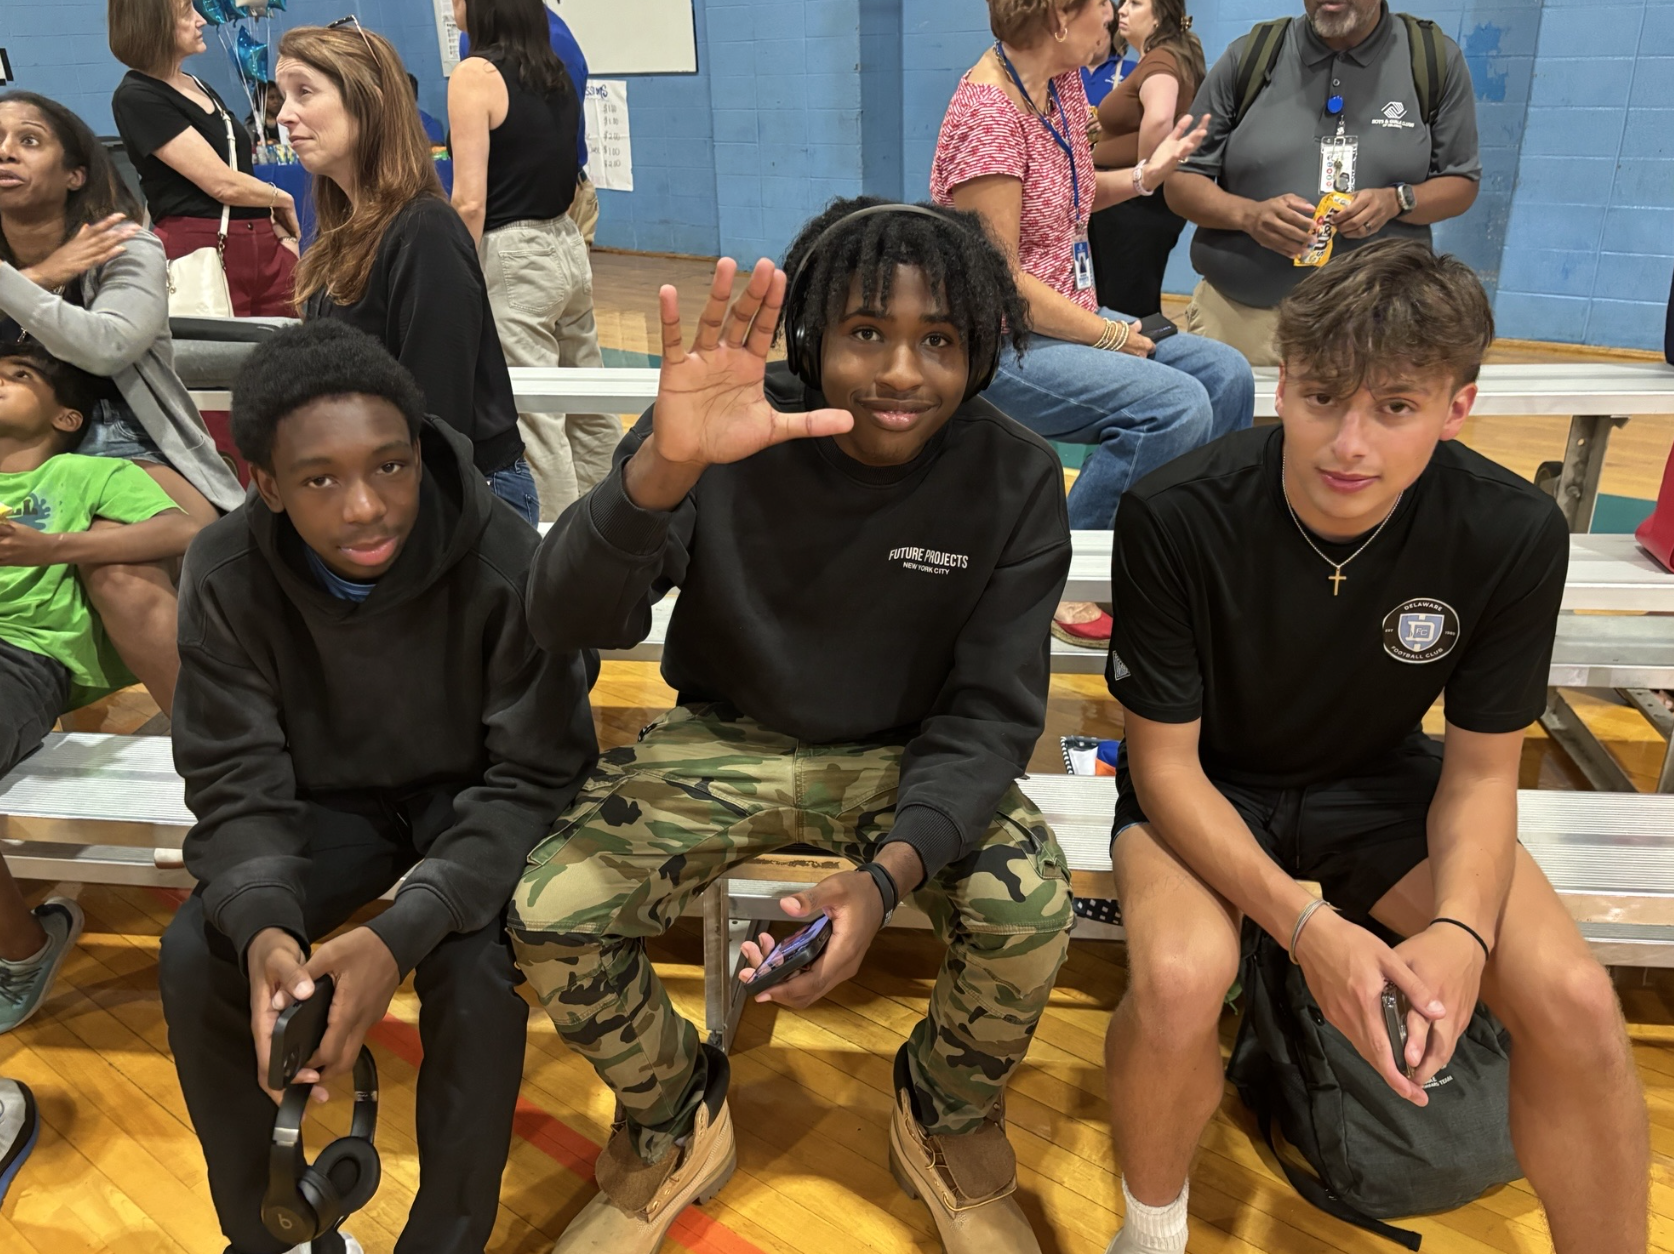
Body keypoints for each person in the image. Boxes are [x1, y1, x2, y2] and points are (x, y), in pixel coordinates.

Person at [509, 200, 1075, 1254]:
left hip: (909, 756)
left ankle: (943, 1110)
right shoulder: (720, 420)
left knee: (1032, 908)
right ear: (813, 333)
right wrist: (660, 472)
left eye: (938, 341)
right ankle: (677, 1111)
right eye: (867, 332)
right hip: (731, 734)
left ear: (981, 351)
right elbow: (563, 617)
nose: (902, 371)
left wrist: (885, 878)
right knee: (552, 907)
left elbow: (989, 714)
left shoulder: (1015, 477)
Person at [1100, 240, 1647, 1254]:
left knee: (1573, 999)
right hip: (1213, 788)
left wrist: (1460, 936)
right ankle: (1149, 1234)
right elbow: (1165, 768)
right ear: (1284, 384)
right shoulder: (1177, 513)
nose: (1346, 443)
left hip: (1379, 785)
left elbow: (1483, 774)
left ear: (1456, 408)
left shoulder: (1511, 531)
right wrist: (1307, 928)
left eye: (1394, 407)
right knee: (1180, 978)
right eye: (1320, 398)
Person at [157, 320, 598, 1254]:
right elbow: (234, 777)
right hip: (326, 809)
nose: (367, 507)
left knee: (477, 968)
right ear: (267, 487)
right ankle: (268, 1232)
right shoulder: (226, 572)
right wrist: (268, 926)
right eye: (321, 479)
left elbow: (539, 773)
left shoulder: (504, 559)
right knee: (202, 949)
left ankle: (444, 1240)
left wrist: (397, 933)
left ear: (417, 451)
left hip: (472, 802)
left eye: (390, 467)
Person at [931, 0, 1254, 650]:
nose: (1112, 20)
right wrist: (1109, 336)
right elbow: (999, 280)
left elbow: (1071, 192)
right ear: (1058, 18)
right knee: (1172, 406)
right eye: (1103, 9)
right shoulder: (988, 112)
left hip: (1067, 311)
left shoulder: (1061, 84)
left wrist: (1142, 178)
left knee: (1227, 375)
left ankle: (1172, 545)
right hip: (999, 338)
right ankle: (1066, 570)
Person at [0, 91, 243, 709]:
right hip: (20, 451)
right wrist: (38, 276)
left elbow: (108, 346)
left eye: (29, 140)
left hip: (131, 440)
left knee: (120, 573)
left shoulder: (124, 244)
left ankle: (220, 756)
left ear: (75, 171)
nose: (5, 152)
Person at [0, 339, 201, 1046]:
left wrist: (50, 548)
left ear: (65, 417)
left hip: (20, 655)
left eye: (17, 376)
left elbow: (190, 528)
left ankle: (24, 947)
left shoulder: (84, 472)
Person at [276, 20, 541, 525]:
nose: (284, 116)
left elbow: (435, 422)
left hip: (456, 493)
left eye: (304, 93)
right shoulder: (345, 232)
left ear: (369, 100)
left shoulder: (425, 232)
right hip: (383, 484)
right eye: (283, 96)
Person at [1165, 0, 1480, 365]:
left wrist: (1397, 200)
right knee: (1240, 425)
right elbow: (1181, 180)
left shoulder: (1431, 59)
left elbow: (1461, 181)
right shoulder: (1250, 55)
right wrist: (1249, 216)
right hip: (1241, 323)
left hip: (1378, 330)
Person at [450, 0, 619, 522]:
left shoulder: (474, 74)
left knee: (537, 417)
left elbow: (470, 201)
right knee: (589, 401)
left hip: (514, 250)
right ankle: (615, 522)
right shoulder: (554, 67)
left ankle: (556, 554)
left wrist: (453, 270)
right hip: (565, 243)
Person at [109, 0, 301, 316]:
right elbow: (220, 183)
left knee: (291, 351)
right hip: (204, 250)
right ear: (152, 23)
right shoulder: (137, 95)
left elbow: (239, 173)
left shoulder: (200, 86)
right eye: (187, 12)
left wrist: (282, 244)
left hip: (262, 243)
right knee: (223, 358)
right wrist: (281, 199)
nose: (201, 20)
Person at [1088, 0, 1203, 317]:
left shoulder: (1161, 59)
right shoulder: (1168, 57)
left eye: (1135, 4)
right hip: (1130, 207)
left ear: (1159, 18)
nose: (1121, 10)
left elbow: (1159, 118)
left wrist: (1141, 179)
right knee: (1128, 302)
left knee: (1126, 311)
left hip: (1131, 207)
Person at [463, 0, 598, 245]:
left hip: (549, 206)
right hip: (499, 210)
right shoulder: (472, 41)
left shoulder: (555, 44)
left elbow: (560, 143)